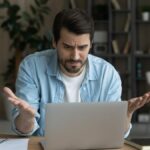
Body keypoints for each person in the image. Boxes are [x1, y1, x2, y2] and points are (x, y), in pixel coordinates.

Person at [3, 8, 150, 136]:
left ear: (91, 45)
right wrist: (27, 118)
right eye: (67, 47)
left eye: (82, 47)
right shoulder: (32, 66)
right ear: (54, 42)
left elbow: (115, 133)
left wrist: (125, 117)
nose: (75, 56)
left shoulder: (107, 74)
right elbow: (23, 130)